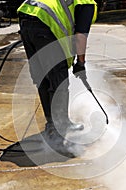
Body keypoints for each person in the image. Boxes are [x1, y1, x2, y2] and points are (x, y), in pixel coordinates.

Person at [17, 0, 97, 151]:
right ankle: (58, 135)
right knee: (59, 83)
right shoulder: (86, 3)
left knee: (43, 78)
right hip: (44, 26)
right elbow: (80, 36)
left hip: (26, 16)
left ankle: (57, 124)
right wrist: (80, 64)